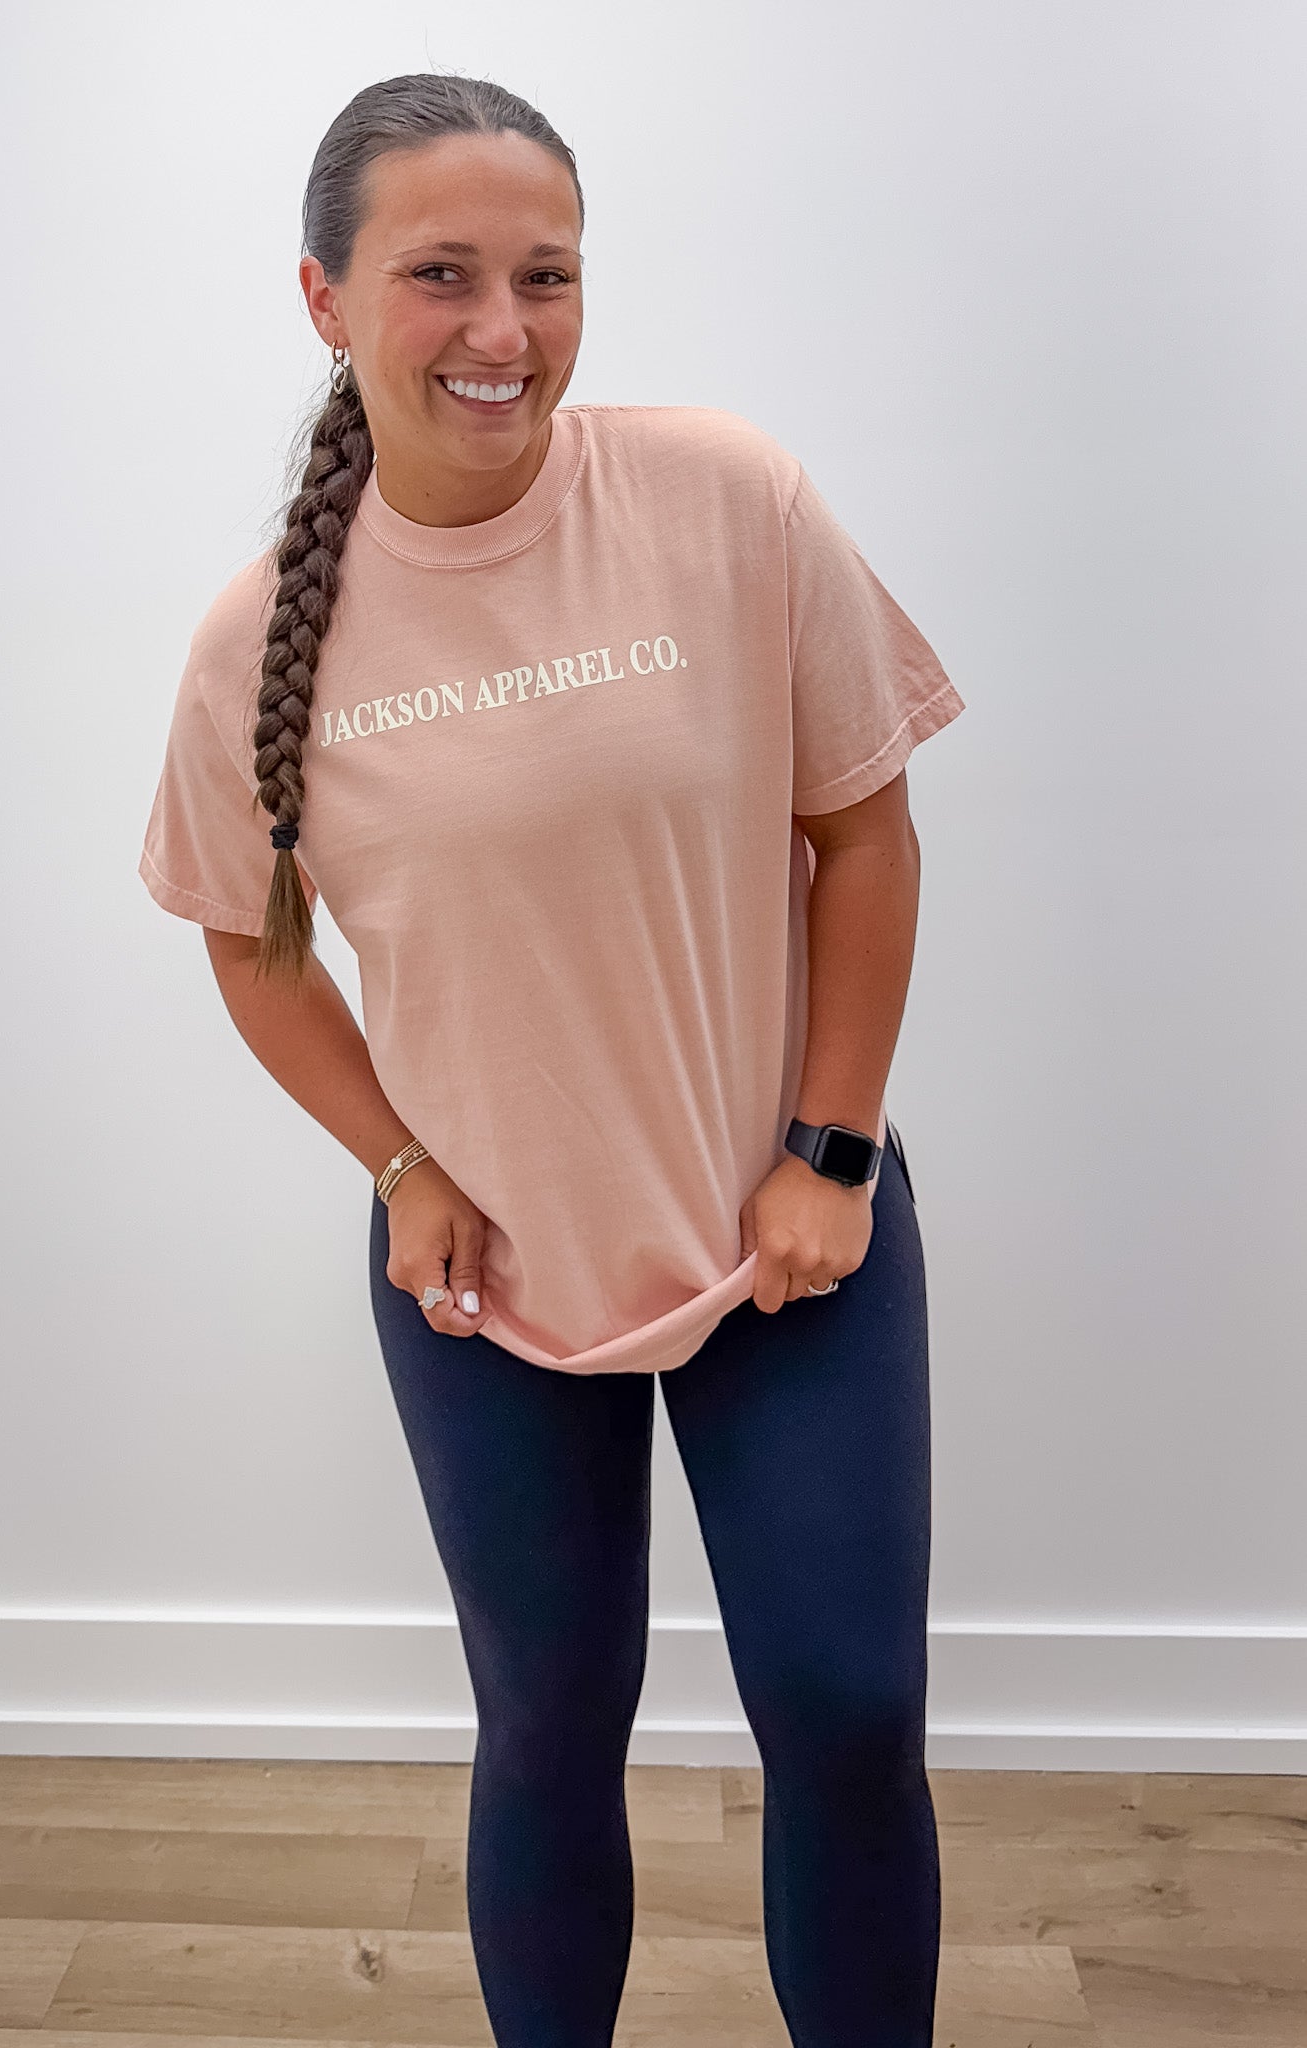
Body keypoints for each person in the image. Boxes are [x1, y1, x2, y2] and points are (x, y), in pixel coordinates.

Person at [138, 70, 965, 2048]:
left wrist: (828, 1149)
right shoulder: (258, 645)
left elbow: (863, 831)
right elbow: (247, 945)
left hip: (790, 1229)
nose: (501, 329)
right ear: (326, 299)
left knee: (847, 1707)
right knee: (544, 1720)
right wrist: (400, 1165)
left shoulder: (726, 500)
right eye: (440, 274)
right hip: (486, 1275)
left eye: (546, 275)